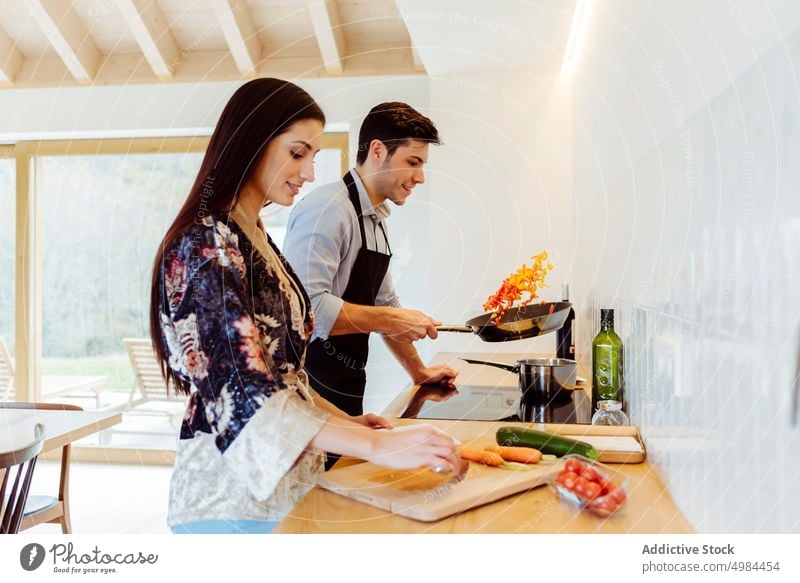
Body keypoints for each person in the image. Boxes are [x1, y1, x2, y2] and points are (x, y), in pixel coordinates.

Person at [149, 79, 461, 535]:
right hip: (232, 497)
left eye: (311, 157)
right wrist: (374, 447)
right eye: (298, 154)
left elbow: (285, 379)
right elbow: (247, 397)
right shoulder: (204, 248)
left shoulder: (257, 240)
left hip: (288, 485)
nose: (310, 172)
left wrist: (349, 424)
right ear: (252, 142)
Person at [282, 103, 459, 451]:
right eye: (413, 162)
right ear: (378, 150)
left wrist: (419, 372)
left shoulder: (374, 219)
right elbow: (308, 309)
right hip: (311, 392)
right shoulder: (328, 208)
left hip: (346, 386)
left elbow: (384, 303)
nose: (420, 177)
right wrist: (393, 319)